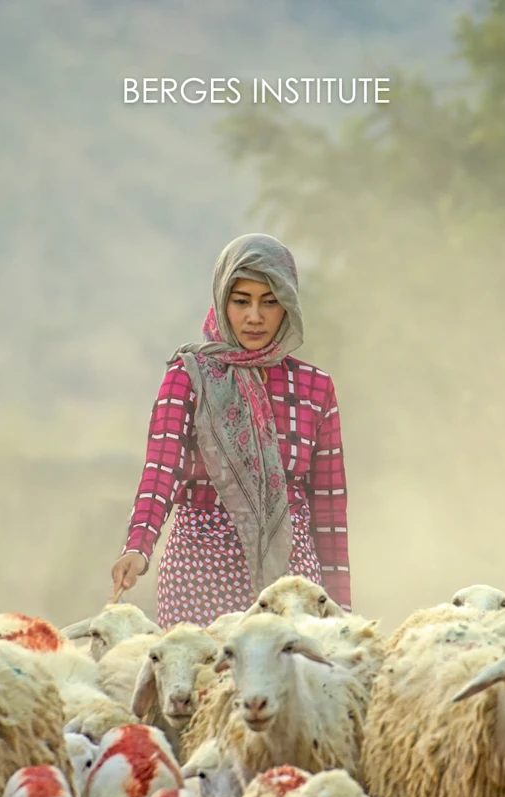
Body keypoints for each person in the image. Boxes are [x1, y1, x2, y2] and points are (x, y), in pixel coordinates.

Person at [110, 232, 350, 630]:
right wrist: (138, 545)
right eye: (241, 301)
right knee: (202, 686)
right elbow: (161, 468)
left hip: (292, 580)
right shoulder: (189, 376)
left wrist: (340, 607)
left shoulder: (315, 388)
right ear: (222, 300)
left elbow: (328, 507)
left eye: (269, 301)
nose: (254, 316)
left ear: (288, 304)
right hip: (202, 572)